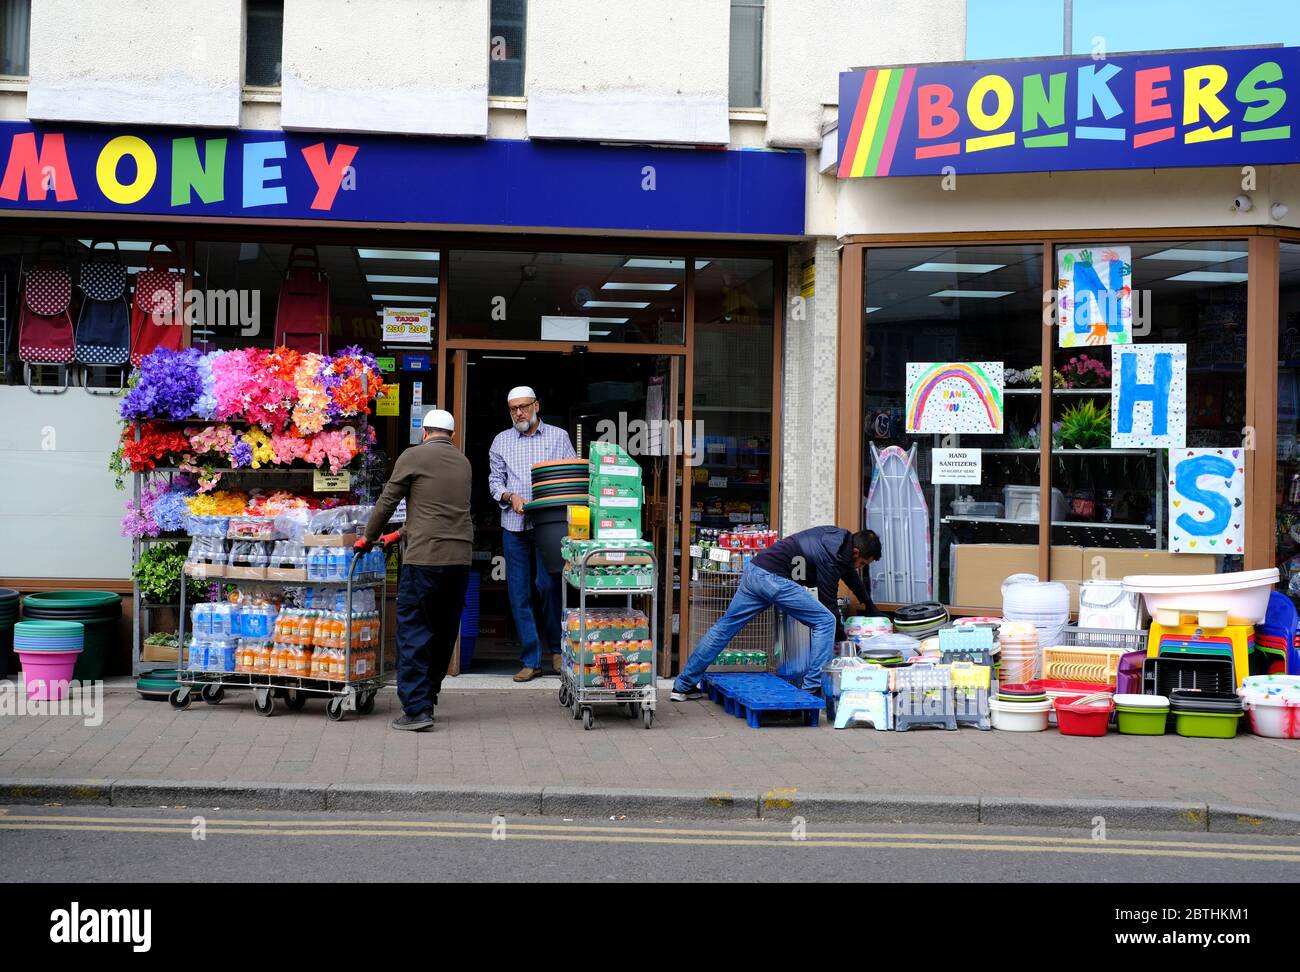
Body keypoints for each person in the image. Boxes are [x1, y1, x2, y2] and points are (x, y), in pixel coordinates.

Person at [357, 408, 472, 732]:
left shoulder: (414, 456)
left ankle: (417, 709)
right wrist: (401, 533)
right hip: (459, 560)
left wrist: (368, 537)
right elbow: (438, 511)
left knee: (413, 631)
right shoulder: (463, 463)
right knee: (443, 630)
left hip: (425, 560)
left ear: (425, 432)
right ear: (450, 435)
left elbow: (388, 501)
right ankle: (429, 693)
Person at [671, 526, 882, 701]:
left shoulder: (838, 540)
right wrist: (842, 639)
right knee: (826, 621)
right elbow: (828, 601)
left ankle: (683, 685)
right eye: (862, 563)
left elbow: (851, 575)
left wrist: (868, 603)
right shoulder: (832, 556)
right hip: (773, 579)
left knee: (724, 628)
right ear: (856, 552)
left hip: (755, 570)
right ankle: (812, 688)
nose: (860, 567)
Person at [488, 385, 578, 682]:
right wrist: (509, 497)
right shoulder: (501, 440)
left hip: (549, 525)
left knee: (549, 586)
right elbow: (494, 482)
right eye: (513, 409)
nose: (519, 413)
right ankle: (531, 659)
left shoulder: (558, 437)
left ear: (536, 406)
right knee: (519, 592)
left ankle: (557, 649)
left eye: (524, 407)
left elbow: (571, 475)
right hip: (514, 526)